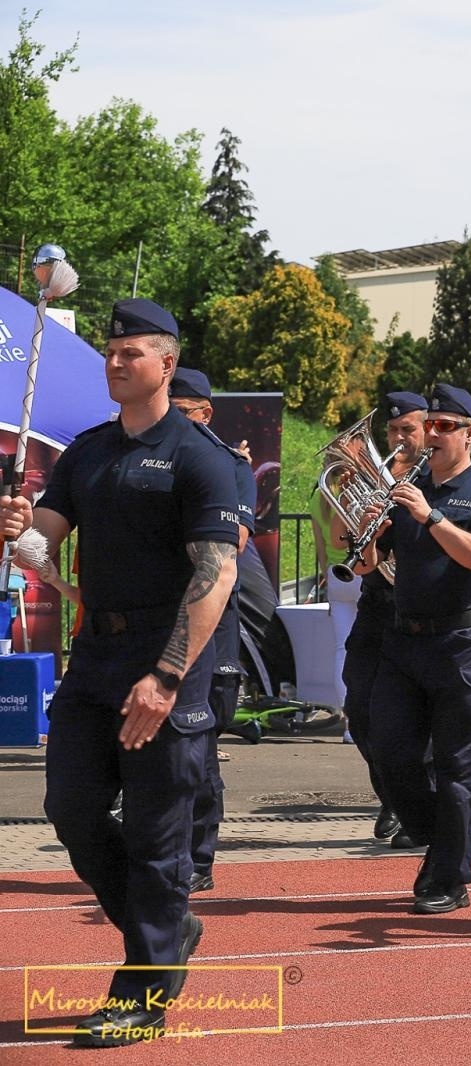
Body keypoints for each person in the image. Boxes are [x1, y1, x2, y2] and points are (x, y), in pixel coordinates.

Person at [1, 299, 241, 1046]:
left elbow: (218, 573)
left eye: (129, 352)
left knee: (156, 836)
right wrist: (20, 531)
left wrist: (167, 676)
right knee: (71, 809)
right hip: (95, 659)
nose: (113, 361)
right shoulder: (91, 451)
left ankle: (143, 989)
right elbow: (45, 540)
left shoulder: (201, 456)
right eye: (110, 351)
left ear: (165, 364)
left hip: (165, 659)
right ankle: (169, 929)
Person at [355, 384, 471, 914]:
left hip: (460, 645)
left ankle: (450, 875)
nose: (436, 435)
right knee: (389, 749)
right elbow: (366, 565)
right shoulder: (409, 487)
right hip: (403, 641)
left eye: (448, 427)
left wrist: (431, 517)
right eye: (434, 426)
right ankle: (434, 834)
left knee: (455, 768)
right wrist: (368, 532)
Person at [169, 369, 257, 894]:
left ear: (207, 414)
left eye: (189, 414)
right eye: (172, 413)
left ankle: (199, 857)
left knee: (198, 745)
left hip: (210, 626)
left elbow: (236, 539)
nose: (181, 424)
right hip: (154, 621)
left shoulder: (229, 467)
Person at [337, 392, 428, 848]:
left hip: (420, 608)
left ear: (427, 429)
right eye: (392, 431)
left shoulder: (434, 479)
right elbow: (350, 553)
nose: (398, 438)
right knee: (359, 710)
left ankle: (415, 806)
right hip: (376, 605)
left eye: (407, 430)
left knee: (412, 719)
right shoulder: (375, 480)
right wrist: (360, 519)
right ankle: (391, 796)